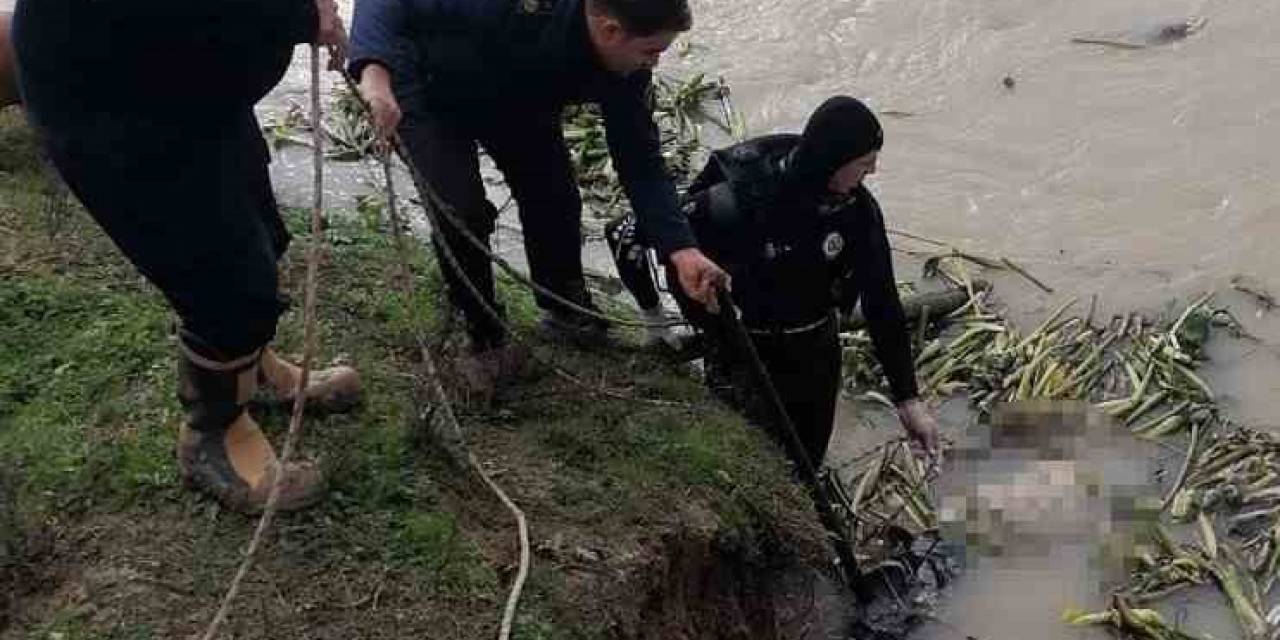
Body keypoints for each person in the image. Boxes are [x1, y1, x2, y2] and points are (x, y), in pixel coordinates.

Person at [13, 0, 362, 513]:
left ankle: (252, 370)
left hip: (187, 85)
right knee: (226, 281)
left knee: (261, 230)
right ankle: (214, 435)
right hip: (117, 106)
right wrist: (298, 18)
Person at [349, 0, 729, 390]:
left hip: (518, 94)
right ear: (611, 30)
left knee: (555, 198)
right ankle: (485, 338)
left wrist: (682, 250)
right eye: (652, 51)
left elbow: (641, 163)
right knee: (461, 212)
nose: (654, 64)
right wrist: (373, 73)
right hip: (426, 88)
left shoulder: (626, 71)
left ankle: (563, 307)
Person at [609, 96, 940, 468]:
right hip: (742, 351)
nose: (874, 170)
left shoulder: (856, 212)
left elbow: (882, 303)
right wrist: (653, 316)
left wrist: (908, 400)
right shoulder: (733, 204)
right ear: (832, 161)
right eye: (865, 162)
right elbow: (626, 234)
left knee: (808, 460)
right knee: (744, 460)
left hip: (816, 348)